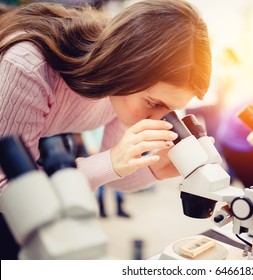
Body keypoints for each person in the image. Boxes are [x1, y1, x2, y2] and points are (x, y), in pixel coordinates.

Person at [0, 0, 211, 259]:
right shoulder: (28, 66)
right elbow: (6, 185)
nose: (159, 119)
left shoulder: (120, 91)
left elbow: (118, 178)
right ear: (124, 65)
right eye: (154, 103)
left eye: (170, 111)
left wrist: (156, 168)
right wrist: (108, 162)